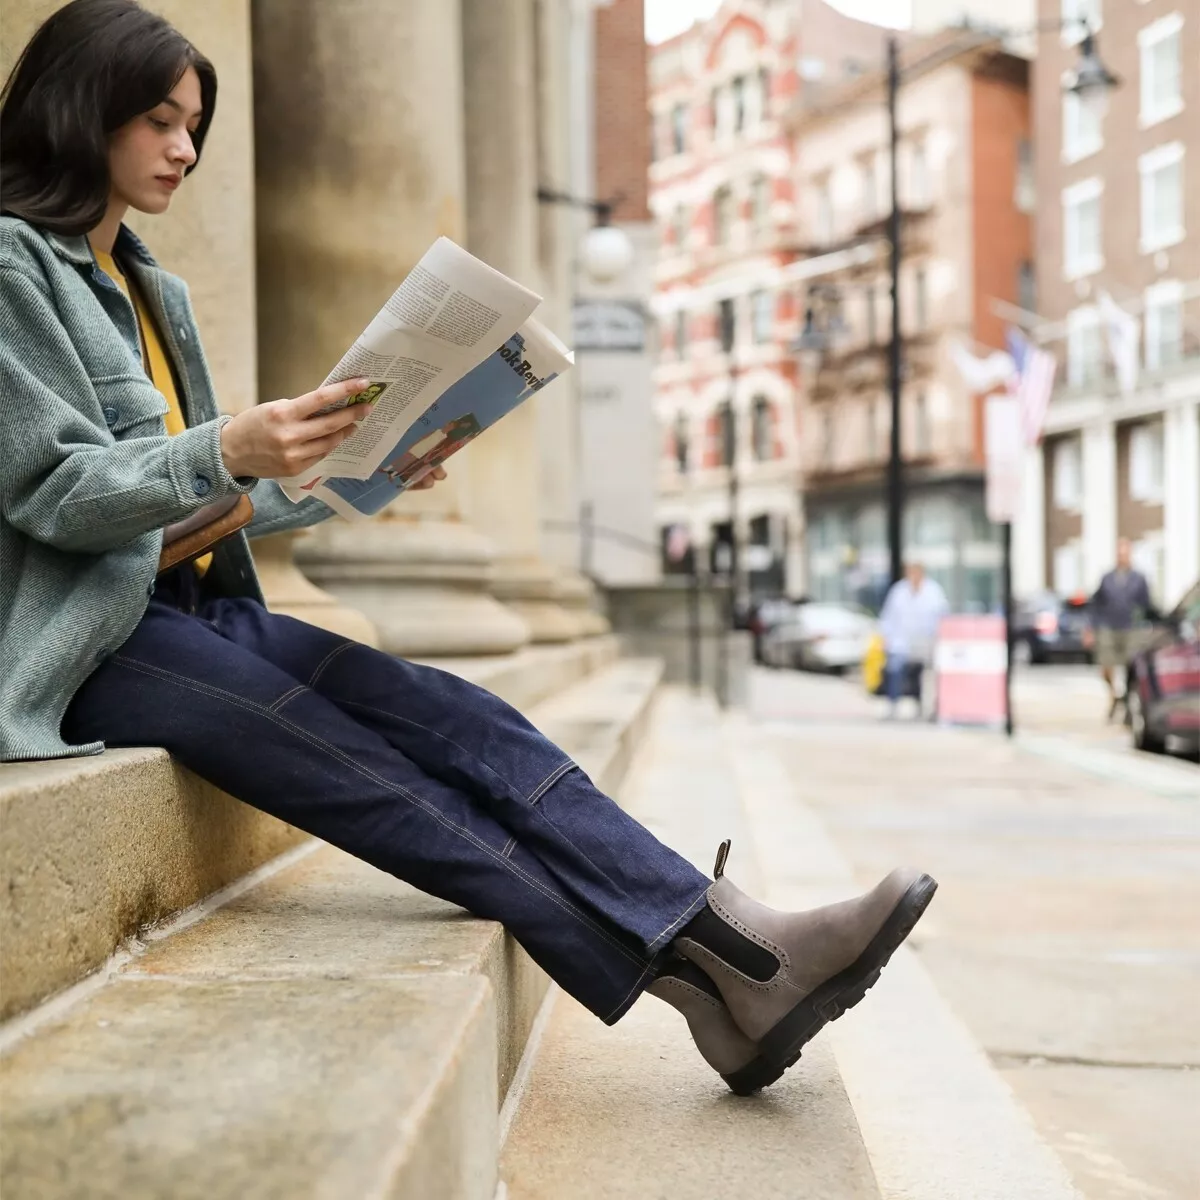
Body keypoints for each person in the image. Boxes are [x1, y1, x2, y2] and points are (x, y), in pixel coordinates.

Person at [0, 0, 936, 1100]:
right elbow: (53, 492)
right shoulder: (17, 266)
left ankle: (728, 953)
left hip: (192, 607)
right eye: (159, 119)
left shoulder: (152, 285)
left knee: (459, 716)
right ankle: (726, 977)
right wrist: (227, 445)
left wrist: (359, 474)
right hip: (92, 645)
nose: (185, 148)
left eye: (194, 122)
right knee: (379, 778)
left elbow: (200, 512)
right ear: (83, 106)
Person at [1083, 538, 1154, 720]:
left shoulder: (1139, 578)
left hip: (1130, 628)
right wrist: (1090, 629)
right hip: (1108, 627)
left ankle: (1128, 705)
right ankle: (1114, 696)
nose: (1122, 556)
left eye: (1125, 552)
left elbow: (1147, 605)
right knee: (1105, 667)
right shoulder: (1107, 578)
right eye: (1119, 553)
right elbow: (1095, 604)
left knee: (1131, 668)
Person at [878, 561, 949, 719]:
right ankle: (892, 706)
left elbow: (942, 615)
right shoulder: (898, 590)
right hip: (900, 641)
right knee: (895, 671)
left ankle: (922, 708)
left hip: (925, 641)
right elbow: (888, 616)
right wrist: (885, 638)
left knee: (921, 675)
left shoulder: (933, 591)